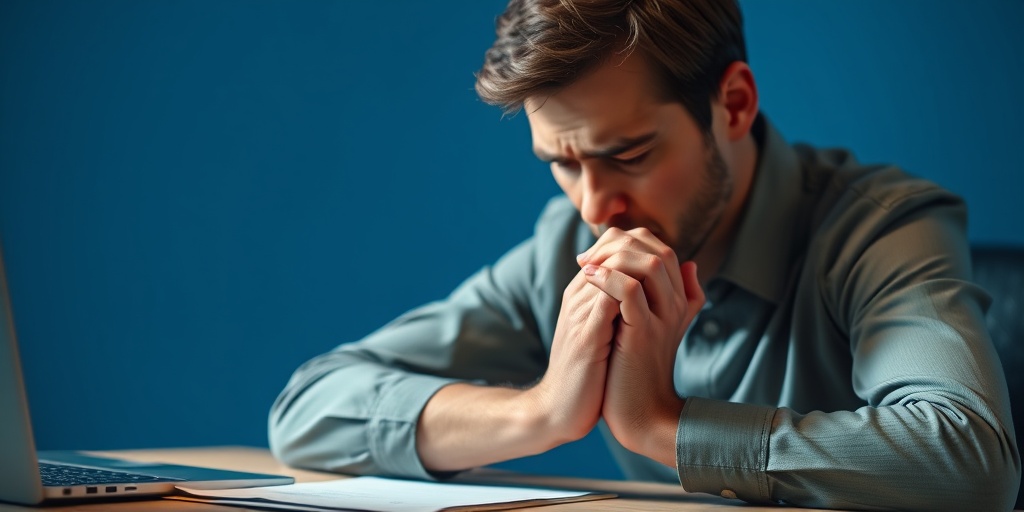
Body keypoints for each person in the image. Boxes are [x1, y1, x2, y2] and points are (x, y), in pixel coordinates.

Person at [268, 1, 1020, 510]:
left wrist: (663, 426)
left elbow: (971, 462)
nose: (594, 208)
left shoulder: (882, 227)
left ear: (733, 104)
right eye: (560, 164)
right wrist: (540, 412)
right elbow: (308, 409)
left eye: (627, 153)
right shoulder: (565, 248)